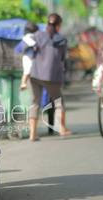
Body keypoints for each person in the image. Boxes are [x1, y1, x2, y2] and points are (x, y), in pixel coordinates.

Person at [28, 13, 71, 141]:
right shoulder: (61, 39)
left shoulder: (37, 35)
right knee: (58, 102)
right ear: (58, 26)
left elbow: (28, 49)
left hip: (35, 74)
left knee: (35, 102)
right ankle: (62, 129)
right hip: (51, 76)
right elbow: (63, 58)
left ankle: (32, 134)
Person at [19, 22, 39, 90]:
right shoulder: (28, 37)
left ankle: (25, 83)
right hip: (28, 57)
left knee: (29, 71)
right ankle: (23, 83)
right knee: (27, 71)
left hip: (31, 57)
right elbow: (33, 44)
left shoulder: (28, 36)